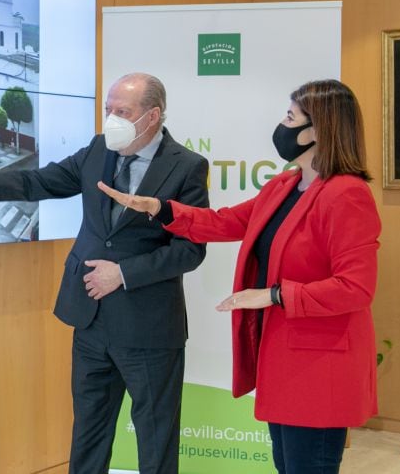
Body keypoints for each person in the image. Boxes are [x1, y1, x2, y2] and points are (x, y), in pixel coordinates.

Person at [0, 73, 209, 474]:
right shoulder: (99, 149)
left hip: (148, 328)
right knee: (89, 433)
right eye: (107, 109)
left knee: (156, 437)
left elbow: (190, 250)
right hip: (90, 319)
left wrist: (123, 274)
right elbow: (41, 180)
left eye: (122, 112)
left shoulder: (186, 167)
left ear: (152, 116)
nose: (110, 119)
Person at [98, 79, 380, 474]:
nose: (281, 125)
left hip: (320, 366)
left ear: (318, 130)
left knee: (308, 465)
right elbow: (227, 222)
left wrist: (274, 295)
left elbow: (356, 288)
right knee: (288, 465)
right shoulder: (286, 184)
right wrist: (161, 209)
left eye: (290, 117)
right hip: (283, 355)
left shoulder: (347, 194)